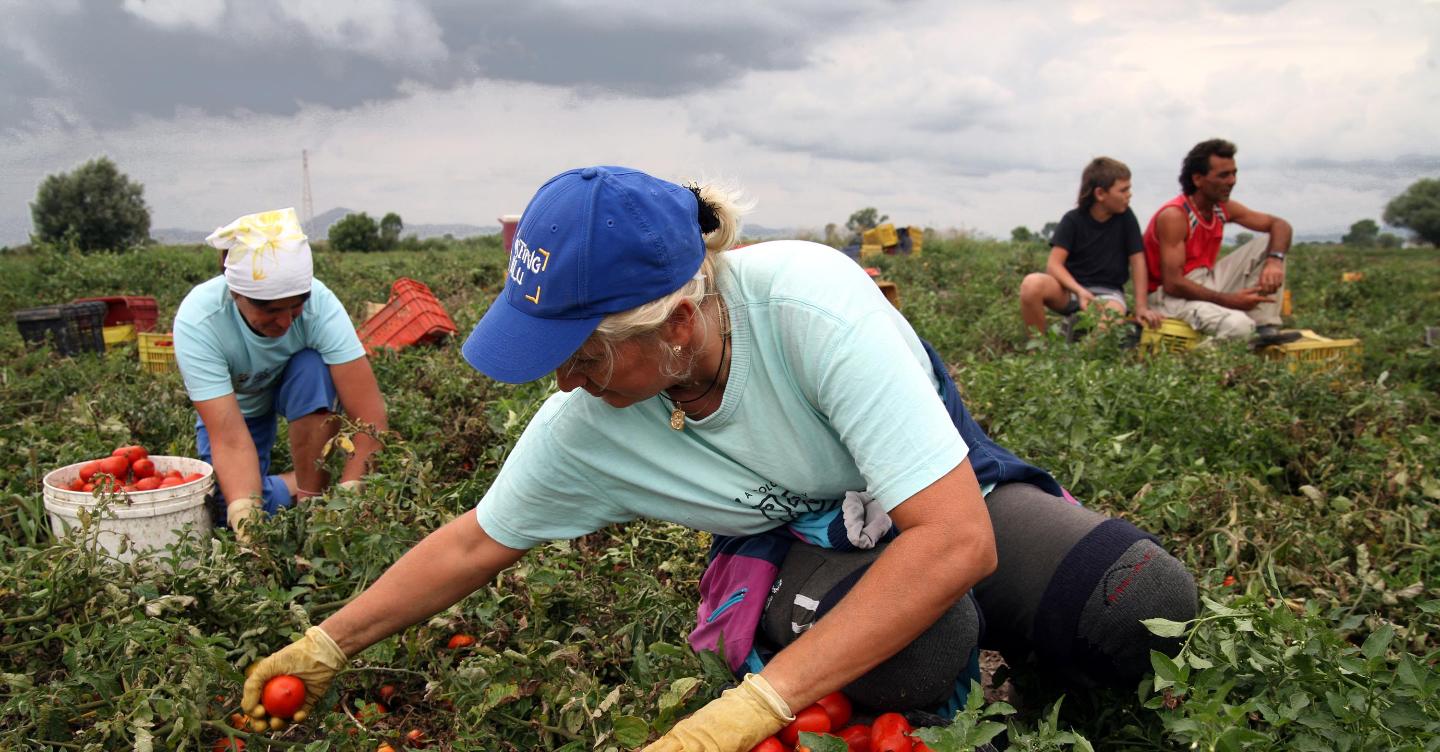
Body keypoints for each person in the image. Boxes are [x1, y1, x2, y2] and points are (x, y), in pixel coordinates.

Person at [238, 168, 1196, 750]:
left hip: (943, 500)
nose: (564, 383)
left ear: (681, 323)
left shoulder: (810, 304)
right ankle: (976, 662)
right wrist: (326, 643)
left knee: (1140, 600)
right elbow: (474, 543)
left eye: (584, 355)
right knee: (924, 647)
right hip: (803, 548)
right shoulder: (591, 420)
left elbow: (953, 536)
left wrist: (754, 706)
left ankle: (1016, 663)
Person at [173, 207, 387, 542]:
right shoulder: (200, 320)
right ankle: (283, 485)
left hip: (301, 389)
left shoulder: (321, 306)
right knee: (224, 507)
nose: (286, 322)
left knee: (312, 366)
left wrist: (351, 491)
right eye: (269, 310)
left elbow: (370, 418)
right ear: (235, 293)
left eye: (296, 306)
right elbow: (229, 438)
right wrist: (246, 515)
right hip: (240, 408)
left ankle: (311, 502)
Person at [1142, 139, 1297, 341]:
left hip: (1205, 280)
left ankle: (1264, 326)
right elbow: (1173, 284)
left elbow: (1280, 225)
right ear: (1198, 179)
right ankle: (1196, 361)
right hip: (1169, 297)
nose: (1232, 181)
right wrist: (1230, 301)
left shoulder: (1221, 208)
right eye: (1223, 175)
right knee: (1239, 326)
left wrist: (1274, 261)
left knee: (1270, 245)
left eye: (1234, 173)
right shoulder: (1175, 215)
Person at [1020, 157, 1164, 336]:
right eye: (1123, 190)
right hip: (1070, 291)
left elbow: (1137, 261)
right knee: (1031, 284)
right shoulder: (1072, 220)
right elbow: (1053, 265)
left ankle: (1082, 357)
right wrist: (1079, 291)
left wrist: (1141, 307)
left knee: (1107, 323)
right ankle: (1037, 353)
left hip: (1108, 294)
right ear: (1100, 194)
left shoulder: (1126, 218)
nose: (1129, 194)